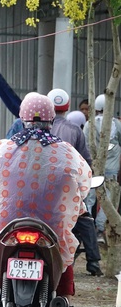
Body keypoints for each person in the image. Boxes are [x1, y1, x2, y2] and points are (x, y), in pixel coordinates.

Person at [0, 92, 91, 307]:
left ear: (22, 118)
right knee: (64, 255)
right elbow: (83, 182)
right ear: (51, 119)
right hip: (50, 226)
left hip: (8, 223)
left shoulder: (1, 149)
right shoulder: (65, 152)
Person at [47, 88, 103, 276]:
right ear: (68, 107)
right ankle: (93, 262)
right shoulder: (74, 131)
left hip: (38, 189)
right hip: (67, 190)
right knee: (85, 219)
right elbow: (85, 162)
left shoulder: (35, 129)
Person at [84, 94, 121, 242]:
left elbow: (85, 144)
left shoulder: (89, 124)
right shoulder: (116, 124)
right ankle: (100, 230)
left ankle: (87, 229)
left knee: (90, 199)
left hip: (93, 167)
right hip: (111, 169)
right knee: (109, 200)